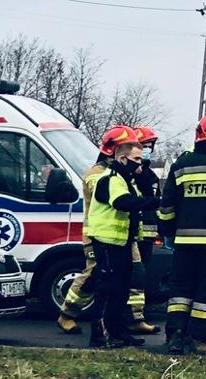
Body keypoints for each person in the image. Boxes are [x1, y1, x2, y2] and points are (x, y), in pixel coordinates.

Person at [157, 111, 206, 355]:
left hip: (185, 241)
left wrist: (167, 230)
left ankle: (175, 336)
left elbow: (167, 205)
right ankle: (200, 338)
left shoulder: (182, 164)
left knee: (180, 289)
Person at [85, 126, 161, 349]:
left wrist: (145, 182)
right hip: (108, 243)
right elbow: (123, 203)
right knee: (108, 289)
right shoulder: (111, 179)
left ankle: (118, 331)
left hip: (122, 242)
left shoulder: (127, 179)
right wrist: (152, 202)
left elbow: (144, 197)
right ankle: (101, 335)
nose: (141, 162)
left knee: (121, 289)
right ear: (124, 158)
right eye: (137, 159)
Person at [58, 126, 133, 334]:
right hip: (96, 234)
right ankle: (67, 313)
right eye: (126, 148)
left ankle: (122, 321)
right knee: (92, 274)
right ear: (113, 150)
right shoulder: (97, 173)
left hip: (119, 235)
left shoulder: (119, 171)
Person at [125, 125, 164, 334]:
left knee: (142, 276)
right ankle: (132, 317)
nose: (148, 149)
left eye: (150, 146)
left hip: (147, 235)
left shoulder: (149, 175)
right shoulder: (130, 174)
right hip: (132, 234)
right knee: (134, 277)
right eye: (145, 145)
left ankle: (137, 315)